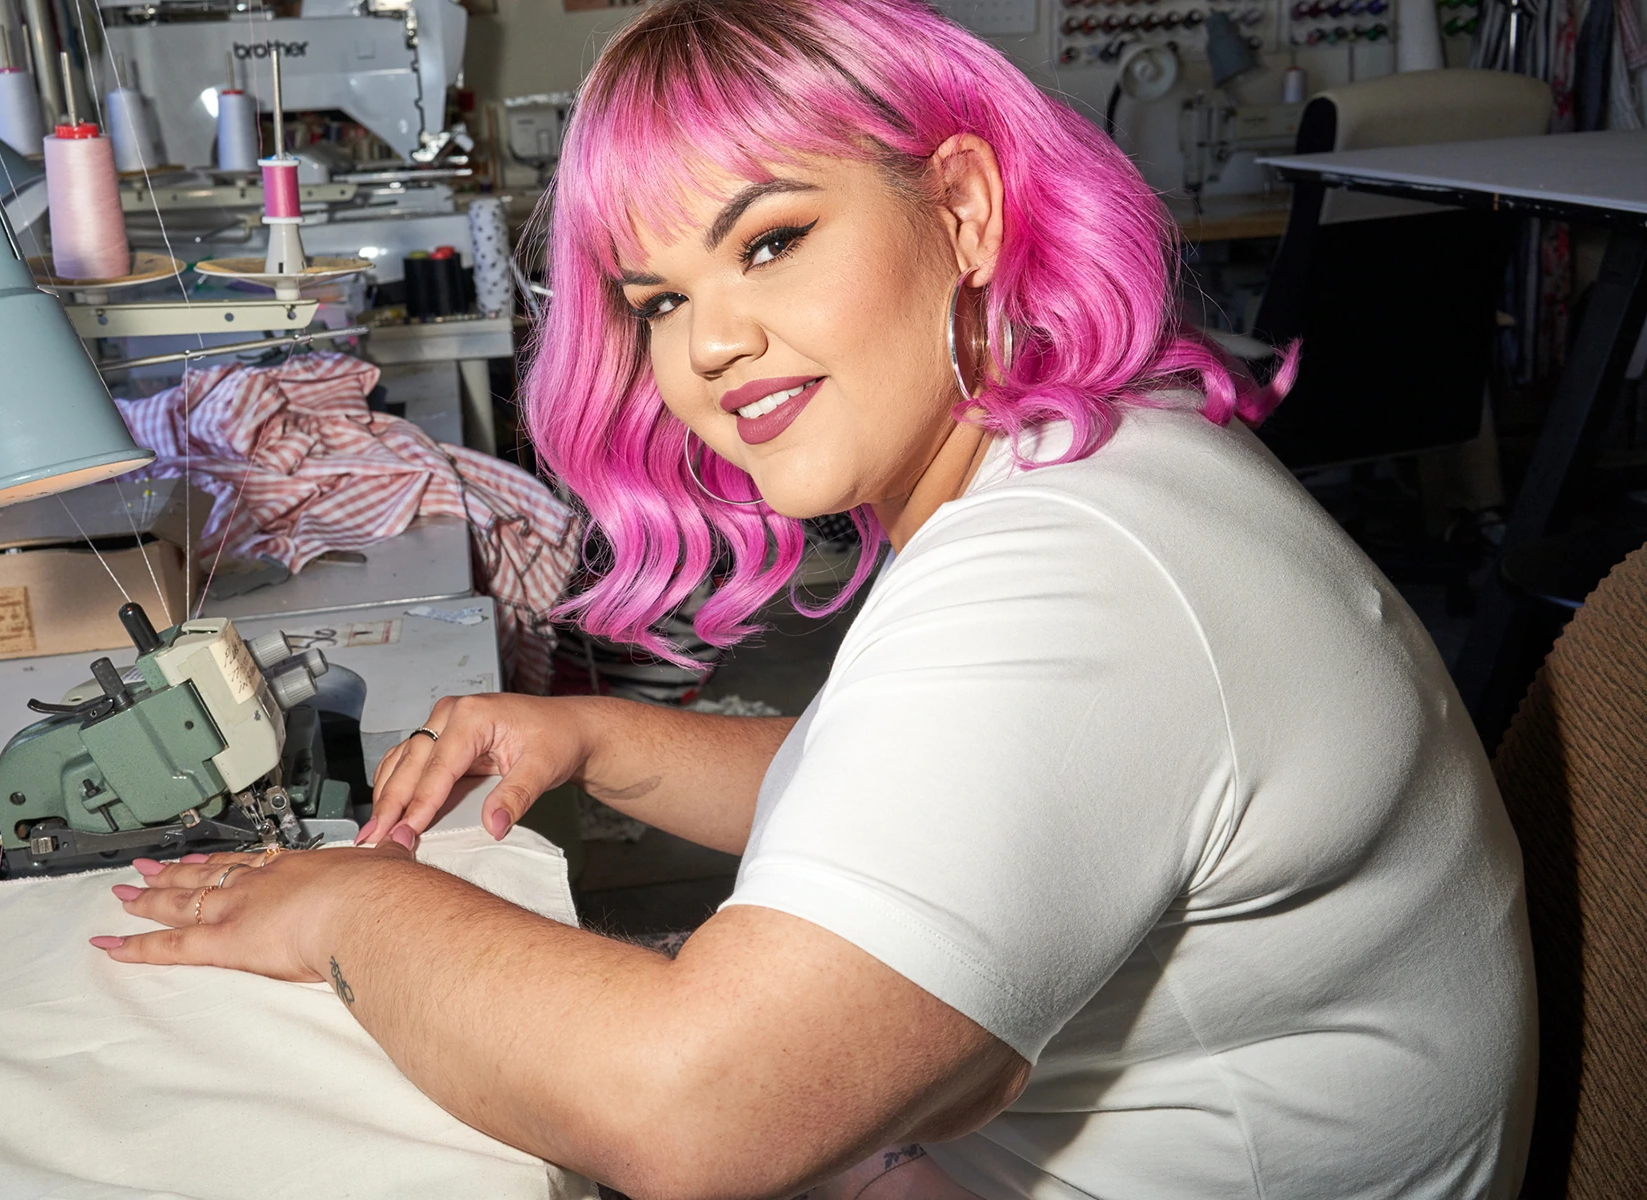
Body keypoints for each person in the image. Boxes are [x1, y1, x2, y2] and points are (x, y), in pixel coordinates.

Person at [92, 1, 1536, 1196]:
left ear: (962, 209)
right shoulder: (1093, 458)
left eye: (771, 240)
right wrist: (600, 748)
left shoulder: (1070, 581)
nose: (711, 341)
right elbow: (957, 796)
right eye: (657, 299)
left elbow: (690, 1113)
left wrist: (350, 908)